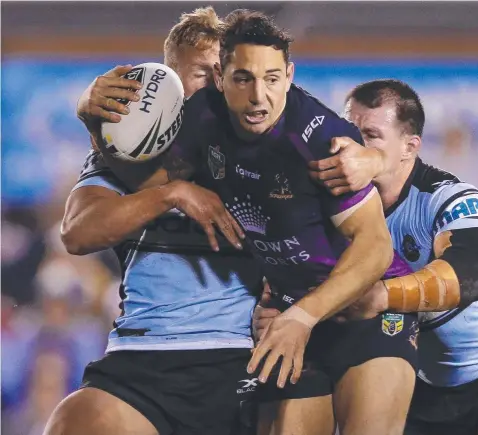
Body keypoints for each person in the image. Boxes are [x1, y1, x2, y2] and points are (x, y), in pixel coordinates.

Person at [88, 10, 418, 435]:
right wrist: (89, 115)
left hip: (362, 313)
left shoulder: (320, 140)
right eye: (243, 78)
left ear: (289, 75)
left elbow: (374, 248)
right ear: (221, 76)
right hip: (289, 321)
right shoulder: (203, 116)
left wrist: (302, 316)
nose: (259, 96)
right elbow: (139, 179)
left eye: (272, 79)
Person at [44, 8, 264, 435]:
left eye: (225, 73)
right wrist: (170, 195)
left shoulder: (261, 147)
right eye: (202, 73)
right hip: (143, 358)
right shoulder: (129, 152)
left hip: (240, 352)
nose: (215, 87)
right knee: (73, 422)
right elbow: (77, 232)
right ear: (168, 80)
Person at [298, 78, 478, 435]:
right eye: (348, 131)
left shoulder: (447, 197)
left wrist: (381, 296)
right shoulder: (326, 207)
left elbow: (473, 273)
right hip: (422, 381)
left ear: (410, 147)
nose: (352, 146)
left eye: (371, 136)